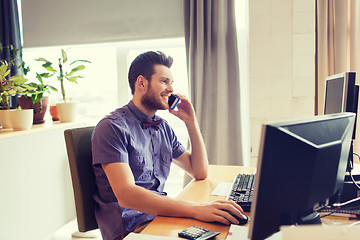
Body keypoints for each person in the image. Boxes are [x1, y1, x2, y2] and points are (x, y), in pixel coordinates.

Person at [91, 51, 244, 240]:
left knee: (226, 231)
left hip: (159, 217)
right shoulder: (112, 127)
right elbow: (126, 195)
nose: (171, 89)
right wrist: (195, 209)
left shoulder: (163, 127)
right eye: (164, 81)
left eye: (171, 83)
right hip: (130, 231)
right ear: (141, 83)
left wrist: (191, 122)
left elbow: (199, 171)